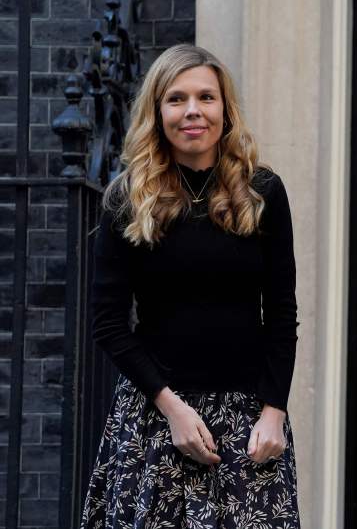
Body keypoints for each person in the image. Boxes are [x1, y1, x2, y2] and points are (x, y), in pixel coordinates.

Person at [81, 44, 300, 528]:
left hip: (248, 423)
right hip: (156, 416)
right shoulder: (129, 196)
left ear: (225, 109)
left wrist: (274, 412)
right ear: (157, 112)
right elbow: (108, 322)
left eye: (206, 97)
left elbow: (282, 313)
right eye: (176, 99)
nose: (193, 111)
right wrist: (171, 407)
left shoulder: (263, 191)